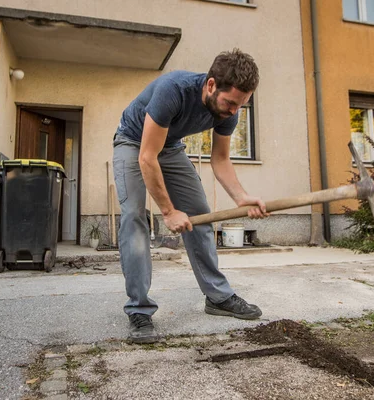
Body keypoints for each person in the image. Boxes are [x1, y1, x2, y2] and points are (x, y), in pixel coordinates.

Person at [112, 49, 269, 344]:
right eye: (231, 103)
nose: (234, 111)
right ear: (211, 85)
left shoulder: (229, 111)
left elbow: (221, 160)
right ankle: (139, 310)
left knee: (200, 213)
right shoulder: (173, 90)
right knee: (134, 217)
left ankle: (217, 297)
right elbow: (147, 157)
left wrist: (241, 198)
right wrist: (169, 211)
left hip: (170, 147)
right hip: (133, 142)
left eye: (241, 106)